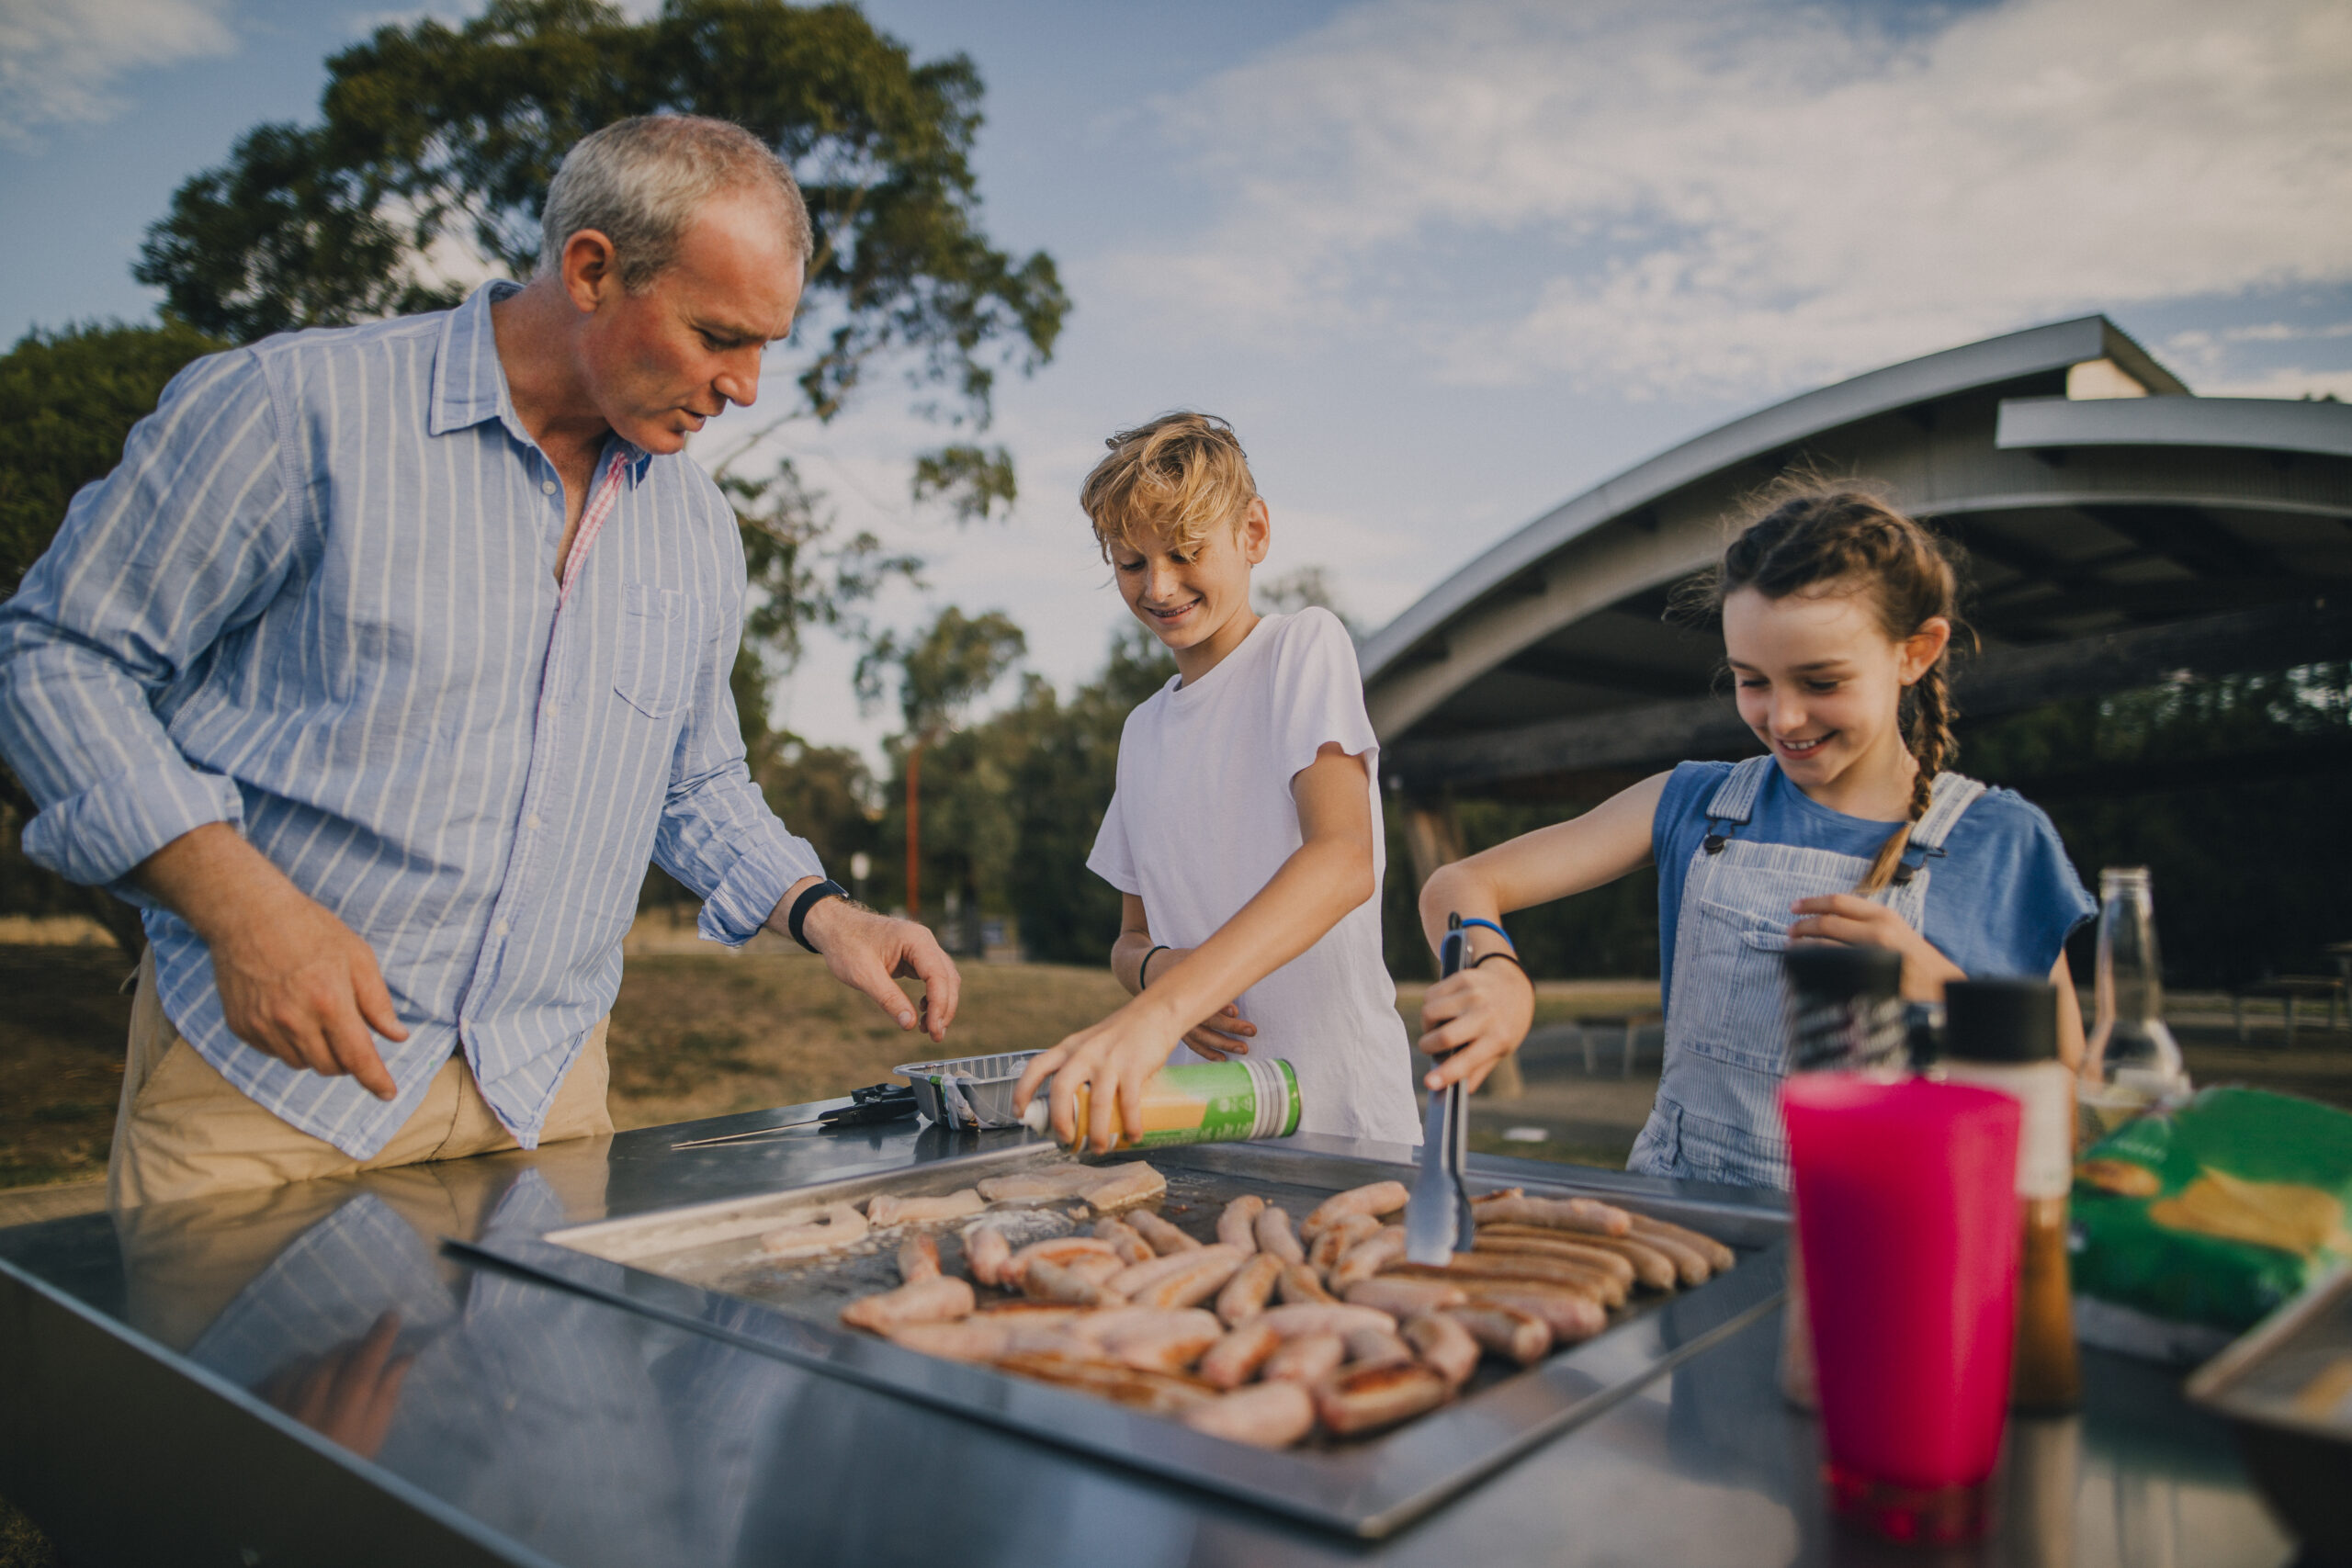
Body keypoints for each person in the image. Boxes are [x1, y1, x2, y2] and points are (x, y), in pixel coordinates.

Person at [0, 116, 959, 1207]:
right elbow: (55, 656)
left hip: (544, 1105)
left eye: (763, 347)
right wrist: (241, 910)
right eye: (716, 335)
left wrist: (829, 913)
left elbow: (692, 779)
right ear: (592, 270)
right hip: (266, 1093)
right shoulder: (293, 410)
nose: (745, 386)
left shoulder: (696, 525)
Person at [1415, 486, 2095, 1189]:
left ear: (1915, 651)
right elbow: (1459, 884)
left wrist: (1941, 991)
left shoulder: (2004, 841)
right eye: (1752, 681)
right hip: (1684, 1232)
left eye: (1821, 680)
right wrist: (1495, 971)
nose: (1786, 717)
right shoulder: (1692, 803)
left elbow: (2069, 1101)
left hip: (1894, 1246)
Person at [1012, 413, 1419, 1152]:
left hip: (1341, 1125)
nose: (1159, 585)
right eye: (1131, 563)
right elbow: (1129, 941)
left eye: (1186, 551)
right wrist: (1161, 973)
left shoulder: (1303, 648)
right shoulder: (1140, 732)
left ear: (1253, 533)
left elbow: (1343, 859)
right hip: (1195, 1129)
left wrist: (1164, 1008)